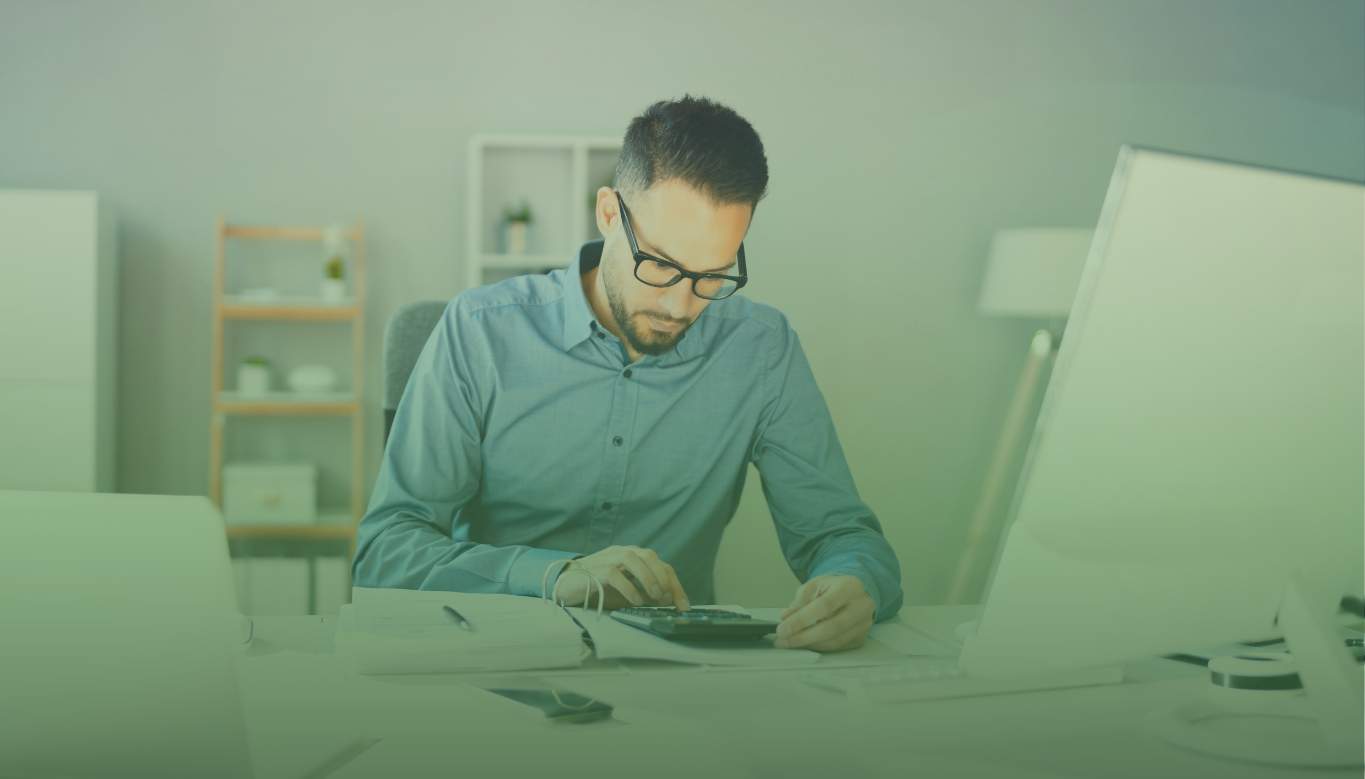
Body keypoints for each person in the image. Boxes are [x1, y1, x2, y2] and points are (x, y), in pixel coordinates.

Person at [353, 95, 902, 651]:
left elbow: (840, 533)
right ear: (610, 213)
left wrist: (855, 584)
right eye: (660, 265)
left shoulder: (762, 348)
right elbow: (385, 554)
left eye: (713, 275)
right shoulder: (480, 331)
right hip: (491, 659)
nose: (681, 306)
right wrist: (555, 576)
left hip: (681, 677)